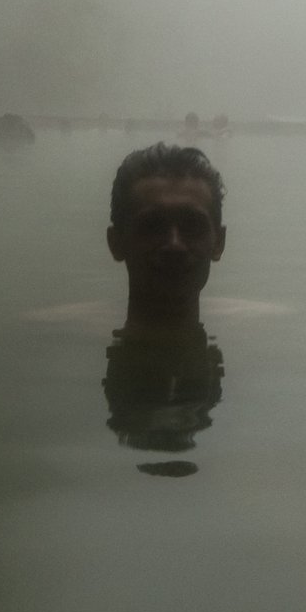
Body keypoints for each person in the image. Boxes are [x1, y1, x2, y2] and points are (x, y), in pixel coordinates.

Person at [101, 143, 227, 473]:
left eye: (192, 225)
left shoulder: (268, 326)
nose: (174, 243)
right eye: (153, 225)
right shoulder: (55, 330)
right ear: (116, 243)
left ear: (219, 242)